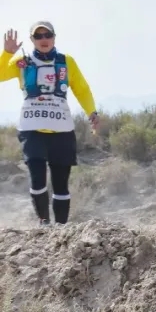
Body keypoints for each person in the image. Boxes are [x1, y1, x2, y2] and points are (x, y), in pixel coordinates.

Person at [1, 22, 100, 226]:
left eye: (47, 35)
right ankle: (44, 223)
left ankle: (61, 228)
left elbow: (81, 88)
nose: (44, 39)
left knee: (61, 184)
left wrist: (91, 111)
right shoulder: (22, 62)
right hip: (32, 129)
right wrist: (7, 54)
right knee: (37, 179)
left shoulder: (66, 61)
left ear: (54, 37)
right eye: (38, 36)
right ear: (32, 40)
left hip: (61, 129)